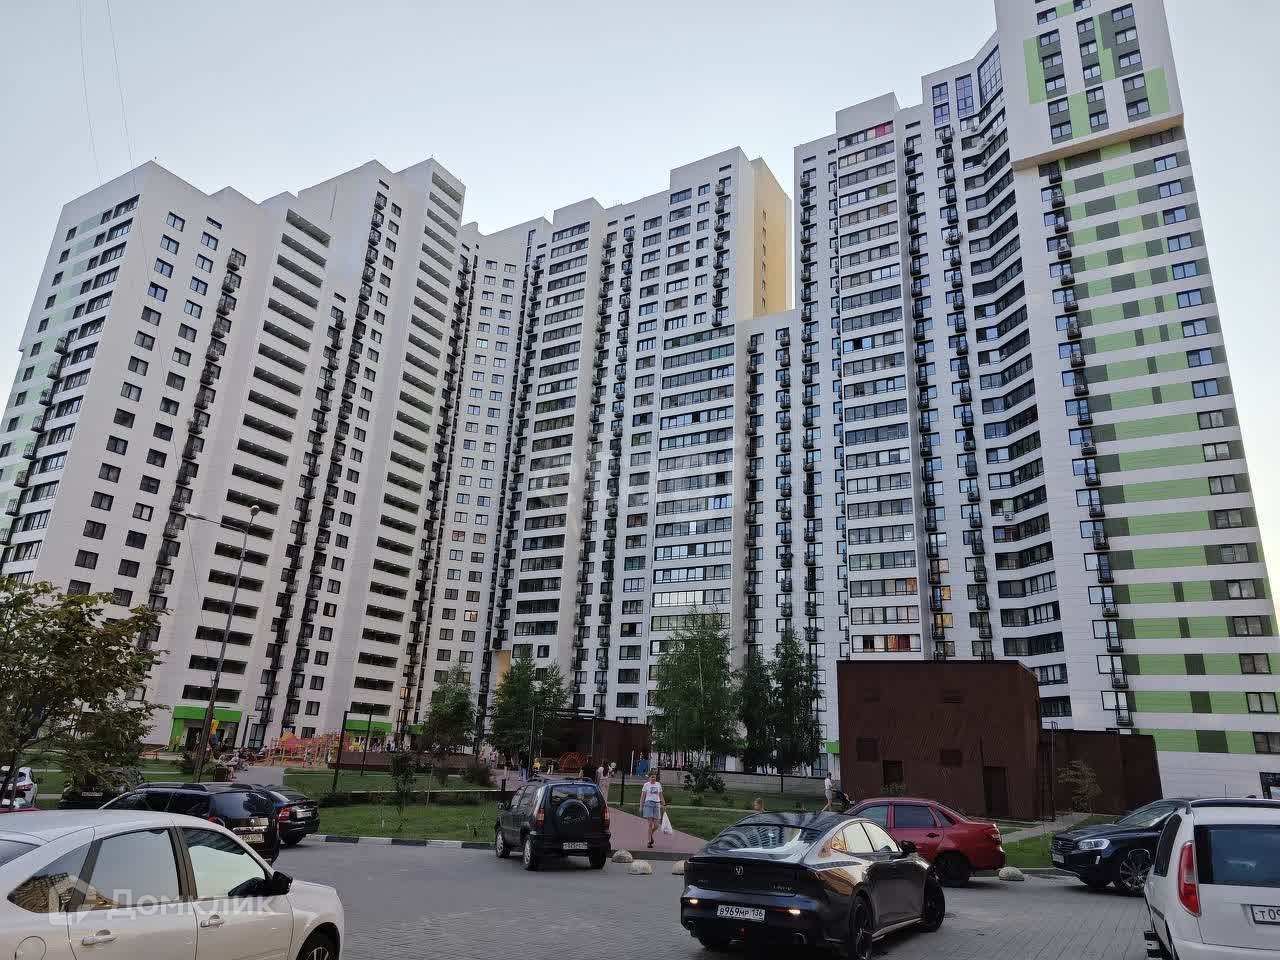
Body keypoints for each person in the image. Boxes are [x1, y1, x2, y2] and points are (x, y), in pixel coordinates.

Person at [641, 770, 667, 849]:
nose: (653, 779)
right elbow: (643, 796)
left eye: (654, 777)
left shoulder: (658, 784)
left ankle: (651, 834)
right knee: (650, 824)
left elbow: (661, 795)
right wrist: (641, 806)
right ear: (649, 778)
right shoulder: (646, 785)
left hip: (657, 804)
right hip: (648, 804)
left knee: (656, 825)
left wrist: (664, 804)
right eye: (652, 777)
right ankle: (649, 841)